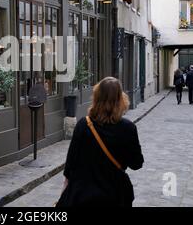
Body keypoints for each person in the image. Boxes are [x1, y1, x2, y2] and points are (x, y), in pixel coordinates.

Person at [56, 77, 144, 207]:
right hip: (115, 195)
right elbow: (136, 163)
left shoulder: (83, 125)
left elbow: (70, 166)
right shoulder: (128, 128)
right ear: (121, 99)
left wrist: (63, 193)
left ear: (96, 97)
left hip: (83, 196)